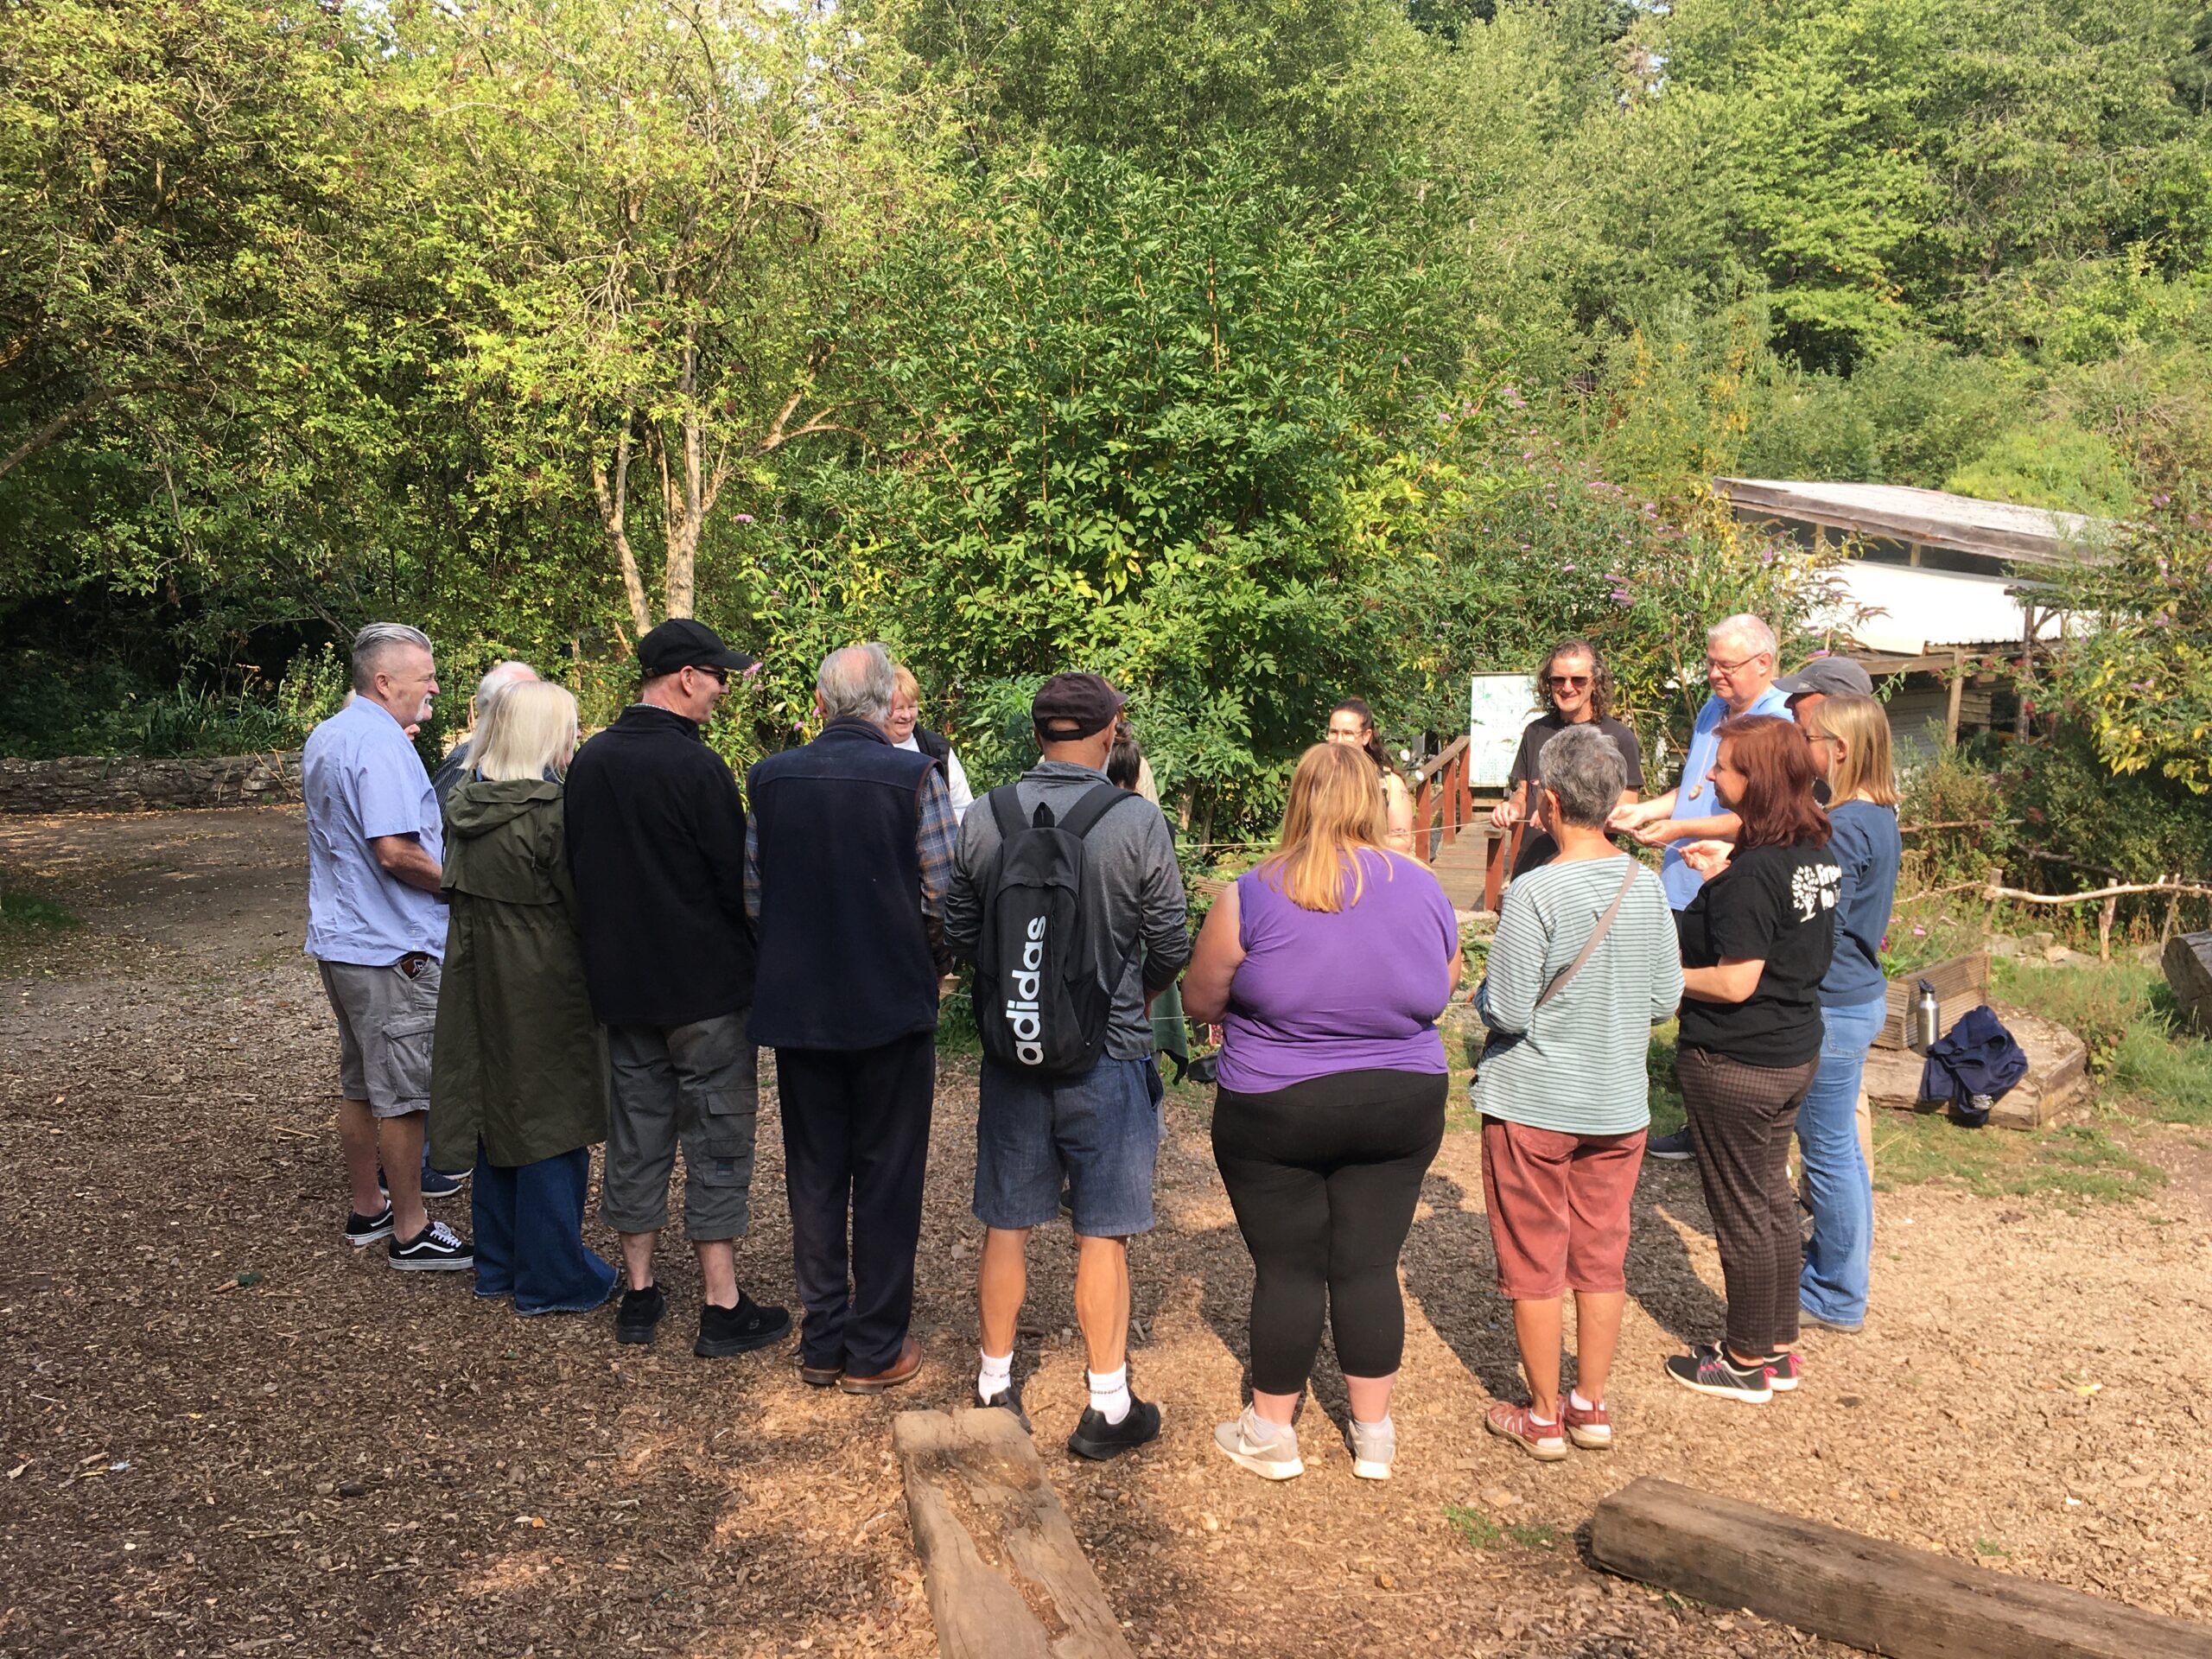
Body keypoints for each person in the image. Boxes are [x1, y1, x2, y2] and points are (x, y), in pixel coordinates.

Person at [1182, 742, 1461, 1482]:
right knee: (1371, 1263)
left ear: (1297, 800)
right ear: (1374, 801)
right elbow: (1442, 983)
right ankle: (1373, 1435)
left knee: (1288, 1268)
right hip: (1400, 1096)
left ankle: (1273, 1433)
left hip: (1275, 1103)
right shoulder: (1423, 885)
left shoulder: (1251, 891)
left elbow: (1200, 998)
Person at [944, 671, 1192, 1458]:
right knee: (1101, 1234)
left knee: (1007, 1223)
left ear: (1035, 731)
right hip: (1109, 1055)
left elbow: (955, 925)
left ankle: (993, 1385)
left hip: (1013, 1051)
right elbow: (1174, 942)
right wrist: (1133, 995)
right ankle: (1107, 1405)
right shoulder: (1135, 822)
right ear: (1112, 729)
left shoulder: (985, 815)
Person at [564, 618, 791, 1359]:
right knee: (718, 1135)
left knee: (637, 1132)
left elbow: (577, 873)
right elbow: (739, 880)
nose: (725, 690)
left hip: (623, 989)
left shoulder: (590, 761)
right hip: (705, 992)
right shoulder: (696, 769)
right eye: (719, 677)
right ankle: (721, 1304)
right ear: (686, 677)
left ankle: (639, 1294)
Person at [747, 644, 957, 1394]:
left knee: (814, 1172)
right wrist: (935, 966)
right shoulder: (914, 777)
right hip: (892, 1002)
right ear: (880, 701)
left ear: (820, 701)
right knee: (888, 1175)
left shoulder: (770, 779)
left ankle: (822, 1339)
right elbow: (945, 895)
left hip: (802, 1005)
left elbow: (755, 897)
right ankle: (875, 1346)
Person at [1467, 726, 1681, 1460]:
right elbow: (1664, 998)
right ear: (1616, 799)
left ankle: (1543, 1414)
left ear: (1549, 803)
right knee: (1600, 1255)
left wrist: (1481, 997)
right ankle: (1591, 1404)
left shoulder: (1535, 890)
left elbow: (1510, 1010)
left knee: (1535, 1259)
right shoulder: (1647, 885)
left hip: (1535, 1100)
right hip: (1617, 1102)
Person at [1662, 715, 1840, 1404]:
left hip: (1736, 1061)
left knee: (1741, 1212)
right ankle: (1778, 1347)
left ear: (1757, 780)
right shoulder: (1812, 851)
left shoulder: (1757, 873)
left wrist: (1664, 978)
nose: (1711, 776)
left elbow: (1735, 980)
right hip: (1793, 1050)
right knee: (1770, 1203)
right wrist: (1723, 873)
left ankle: (1741, 1359)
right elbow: (1773, 918)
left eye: (1725, 766)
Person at [429, 680, 616, 1314]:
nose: (576, 737)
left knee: (495, 1112)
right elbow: (585, 906)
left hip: (478, 976)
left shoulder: (466, 806)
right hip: (543, 979)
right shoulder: (552, 816)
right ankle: (553, 1276)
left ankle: (500, 1264)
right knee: (550, 1121)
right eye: (570, 725)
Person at [301, 622, 473, 1270]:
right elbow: (396, 850)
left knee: (360, 1084)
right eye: (425, 675)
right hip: (391, 945)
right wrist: (463, 882)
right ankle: (411, 1228)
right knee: (405, 1094)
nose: (432, 685)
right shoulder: (380, 744)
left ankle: (368, 1206)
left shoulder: (329, 733)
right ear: (384, 680)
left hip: (344, 939)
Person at [1609, 614, 1790, 1162]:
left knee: (1718, 1002)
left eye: (1727, 666)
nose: (1714, 675)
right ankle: (1695, 1122)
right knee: (1692, 1009)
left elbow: (1763, 818)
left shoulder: (1777, 722)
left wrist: (1681, 827)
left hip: (1731, 881)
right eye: (1710, 663)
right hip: (1682, 878)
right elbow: (1693, 788)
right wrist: (1646, 809)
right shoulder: (1715, 710)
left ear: (1764, 664)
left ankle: (1719, 1128)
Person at [1792, 693, 1900, 1334]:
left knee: (1827, 1150)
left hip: (1832, 1003)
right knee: (1843, 1154)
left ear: (1837, 749)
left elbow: (1818, 927)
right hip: (1859, 996)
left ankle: (1835, 1292)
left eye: (1808, 735)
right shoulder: (1879, 815)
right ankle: (1843, 1271)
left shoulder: (1845, 827)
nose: (1801, 745)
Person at [1488, 639, 1643, 878]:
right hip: (1532, 867)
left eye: (1578, 679)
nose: (1567, 687)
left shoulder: (1619, 738)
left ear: (1595, 682)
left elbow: (1625, 815)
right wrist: (1511, 808)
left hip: (1587, 873)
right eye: (1558, 679)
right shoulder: (1535, 732)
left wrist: (1557, 817)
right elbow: (1523, 793)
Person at [1108, 718, 1190, 1080]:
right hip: (1142, 970)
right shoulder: (1152, 823)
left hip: (1136, 967)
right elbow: (1170, 932)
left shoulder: (1150, 825)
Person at [432, 660, 539, 809]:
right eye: (533, 700)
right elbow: (437, 824)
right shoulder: (466, 759)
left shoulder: (535, 759)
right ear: (499, 710)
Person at [887, 663, 976, 823]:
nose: (907, 715)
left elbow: (963, 807)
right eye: (899, 708)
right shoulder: (868, 749)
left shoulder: (937, 749)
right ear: (879, 708)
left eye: (912, 706)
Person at [1325, 697, 1414, 855]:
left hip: (1374, 871)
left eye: (1348, 733)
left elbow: (1402, 843)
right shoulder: (1317, 777)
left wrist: (1353, 840)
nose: (1339, 740)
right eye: (1334, 732)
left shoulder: (1390, 783)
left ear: (1366, 736)